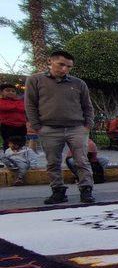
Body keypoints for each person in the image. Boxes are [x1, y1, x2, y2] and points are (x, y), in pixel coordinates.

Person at [25, 50, 95, 204]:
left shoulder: (78, 83)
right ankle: (57, 190)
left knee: (82, 160)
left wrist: (87, 126)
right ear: (50, 61)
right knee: (52, 162)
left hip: (76, 128)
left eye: (68, 67)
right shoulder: (35, 80)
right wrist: (37, 126)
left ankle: (86, 190)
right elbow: (30, 104)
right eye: (61, 64)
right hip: (49, 128)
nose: (64, 69)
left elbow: (87, 106)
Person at [0, 83, 27, 150]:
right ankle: (8, 156)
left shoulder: (19, 101)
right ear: (1, 92)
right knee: (8, 142)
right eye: (8, 91)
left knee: (21, 141)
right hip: (8, 125)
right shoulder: (1, 101)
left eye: (13, 91)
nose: (11, 92)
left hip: (21, 125)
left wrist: (13, 108)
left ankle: (20, 155)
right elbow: (3, 107)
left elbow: (24, 108)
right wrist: (16, 107)